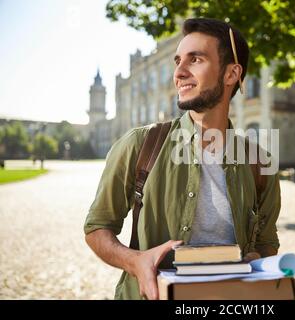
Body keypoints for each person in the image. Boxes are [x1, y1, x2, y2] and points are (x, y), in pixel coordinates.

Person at [84, 18, 281, 300]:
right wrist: (135, 261)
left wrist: (256, 258)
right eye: (178, 60)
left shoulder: (262, 163)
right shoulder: (139, 144)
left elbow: (267, 242)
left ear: (231, 74)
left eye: (195, 59)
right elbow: (97, 227)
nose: (179, 72)